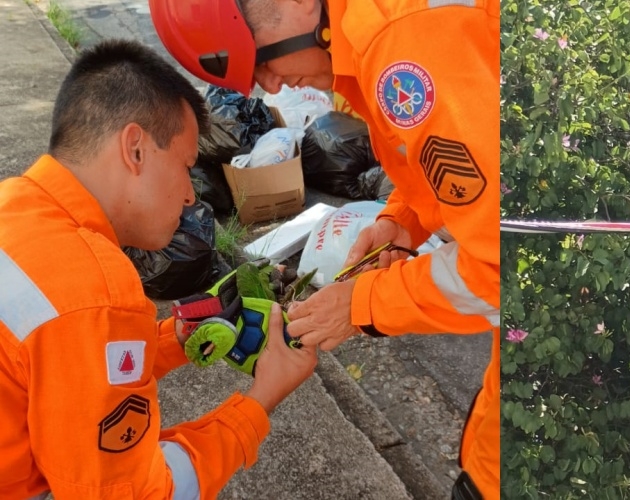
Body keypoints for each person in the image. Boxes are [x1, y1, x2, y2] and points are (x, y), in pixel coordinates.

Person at [149, 1, 500, 497]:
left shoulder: (407, 49)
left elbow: (507, 267)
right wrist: (403, 220)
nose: (269, 86)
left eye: (261, 59)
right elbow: (462, 165)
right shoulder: (378, 30)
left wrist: (362, 304)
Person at [0, 39, 317, 499]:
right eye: (187, 166)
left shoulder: (14, 205)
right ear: (135, 149)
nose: (191, 196)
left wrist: (174, 340)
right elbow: (141, 493)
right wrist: (260, 401)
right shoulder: (95, 290)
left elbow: (57, 356)